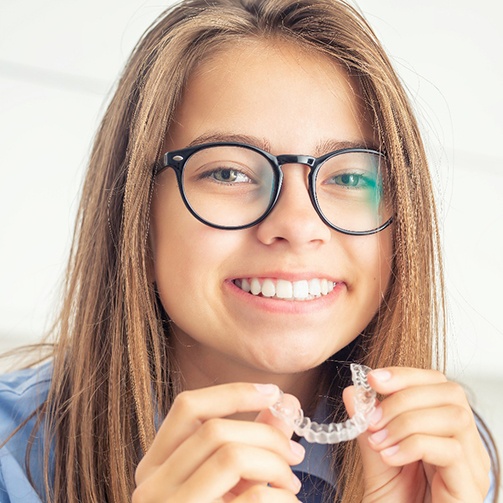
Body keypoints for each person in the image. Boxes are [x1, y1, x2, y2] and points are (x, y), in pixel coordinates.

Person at [0, 0, 499, 501]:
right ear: (137, 219)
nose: (298, 226)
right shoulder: (9, 457)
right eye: (228, 173)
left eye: (349, 176)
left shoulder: (442, 458)